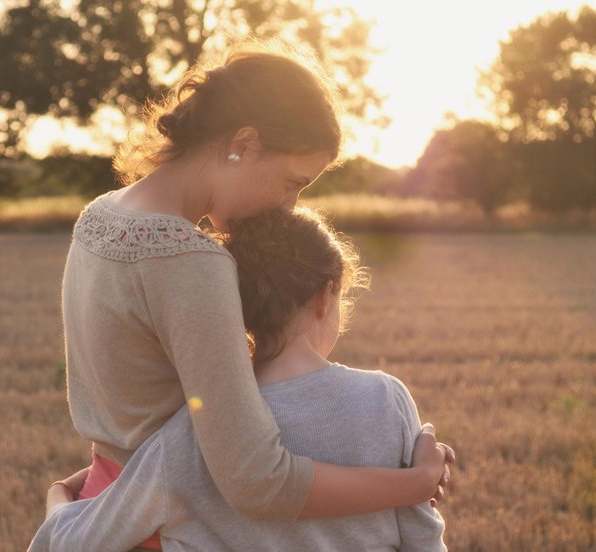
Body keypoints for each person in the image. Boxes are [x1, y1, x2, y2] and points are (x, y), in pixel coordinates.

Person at [48, 39, 453, 550]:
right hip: (165, 530)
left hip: (105, 506)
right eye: (292, 181)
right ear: (243, 142)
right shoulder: (189, 261)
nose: (289, 206)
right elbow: (258, 481)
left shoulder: (100, 216)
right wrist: (413, 485)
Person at [30, 207, 448, 551]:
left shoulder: (190, 431)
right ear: (326, 295)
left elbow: (73, 544)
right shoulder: (386, 399)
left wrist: (59, 496)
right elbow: (423, 538)